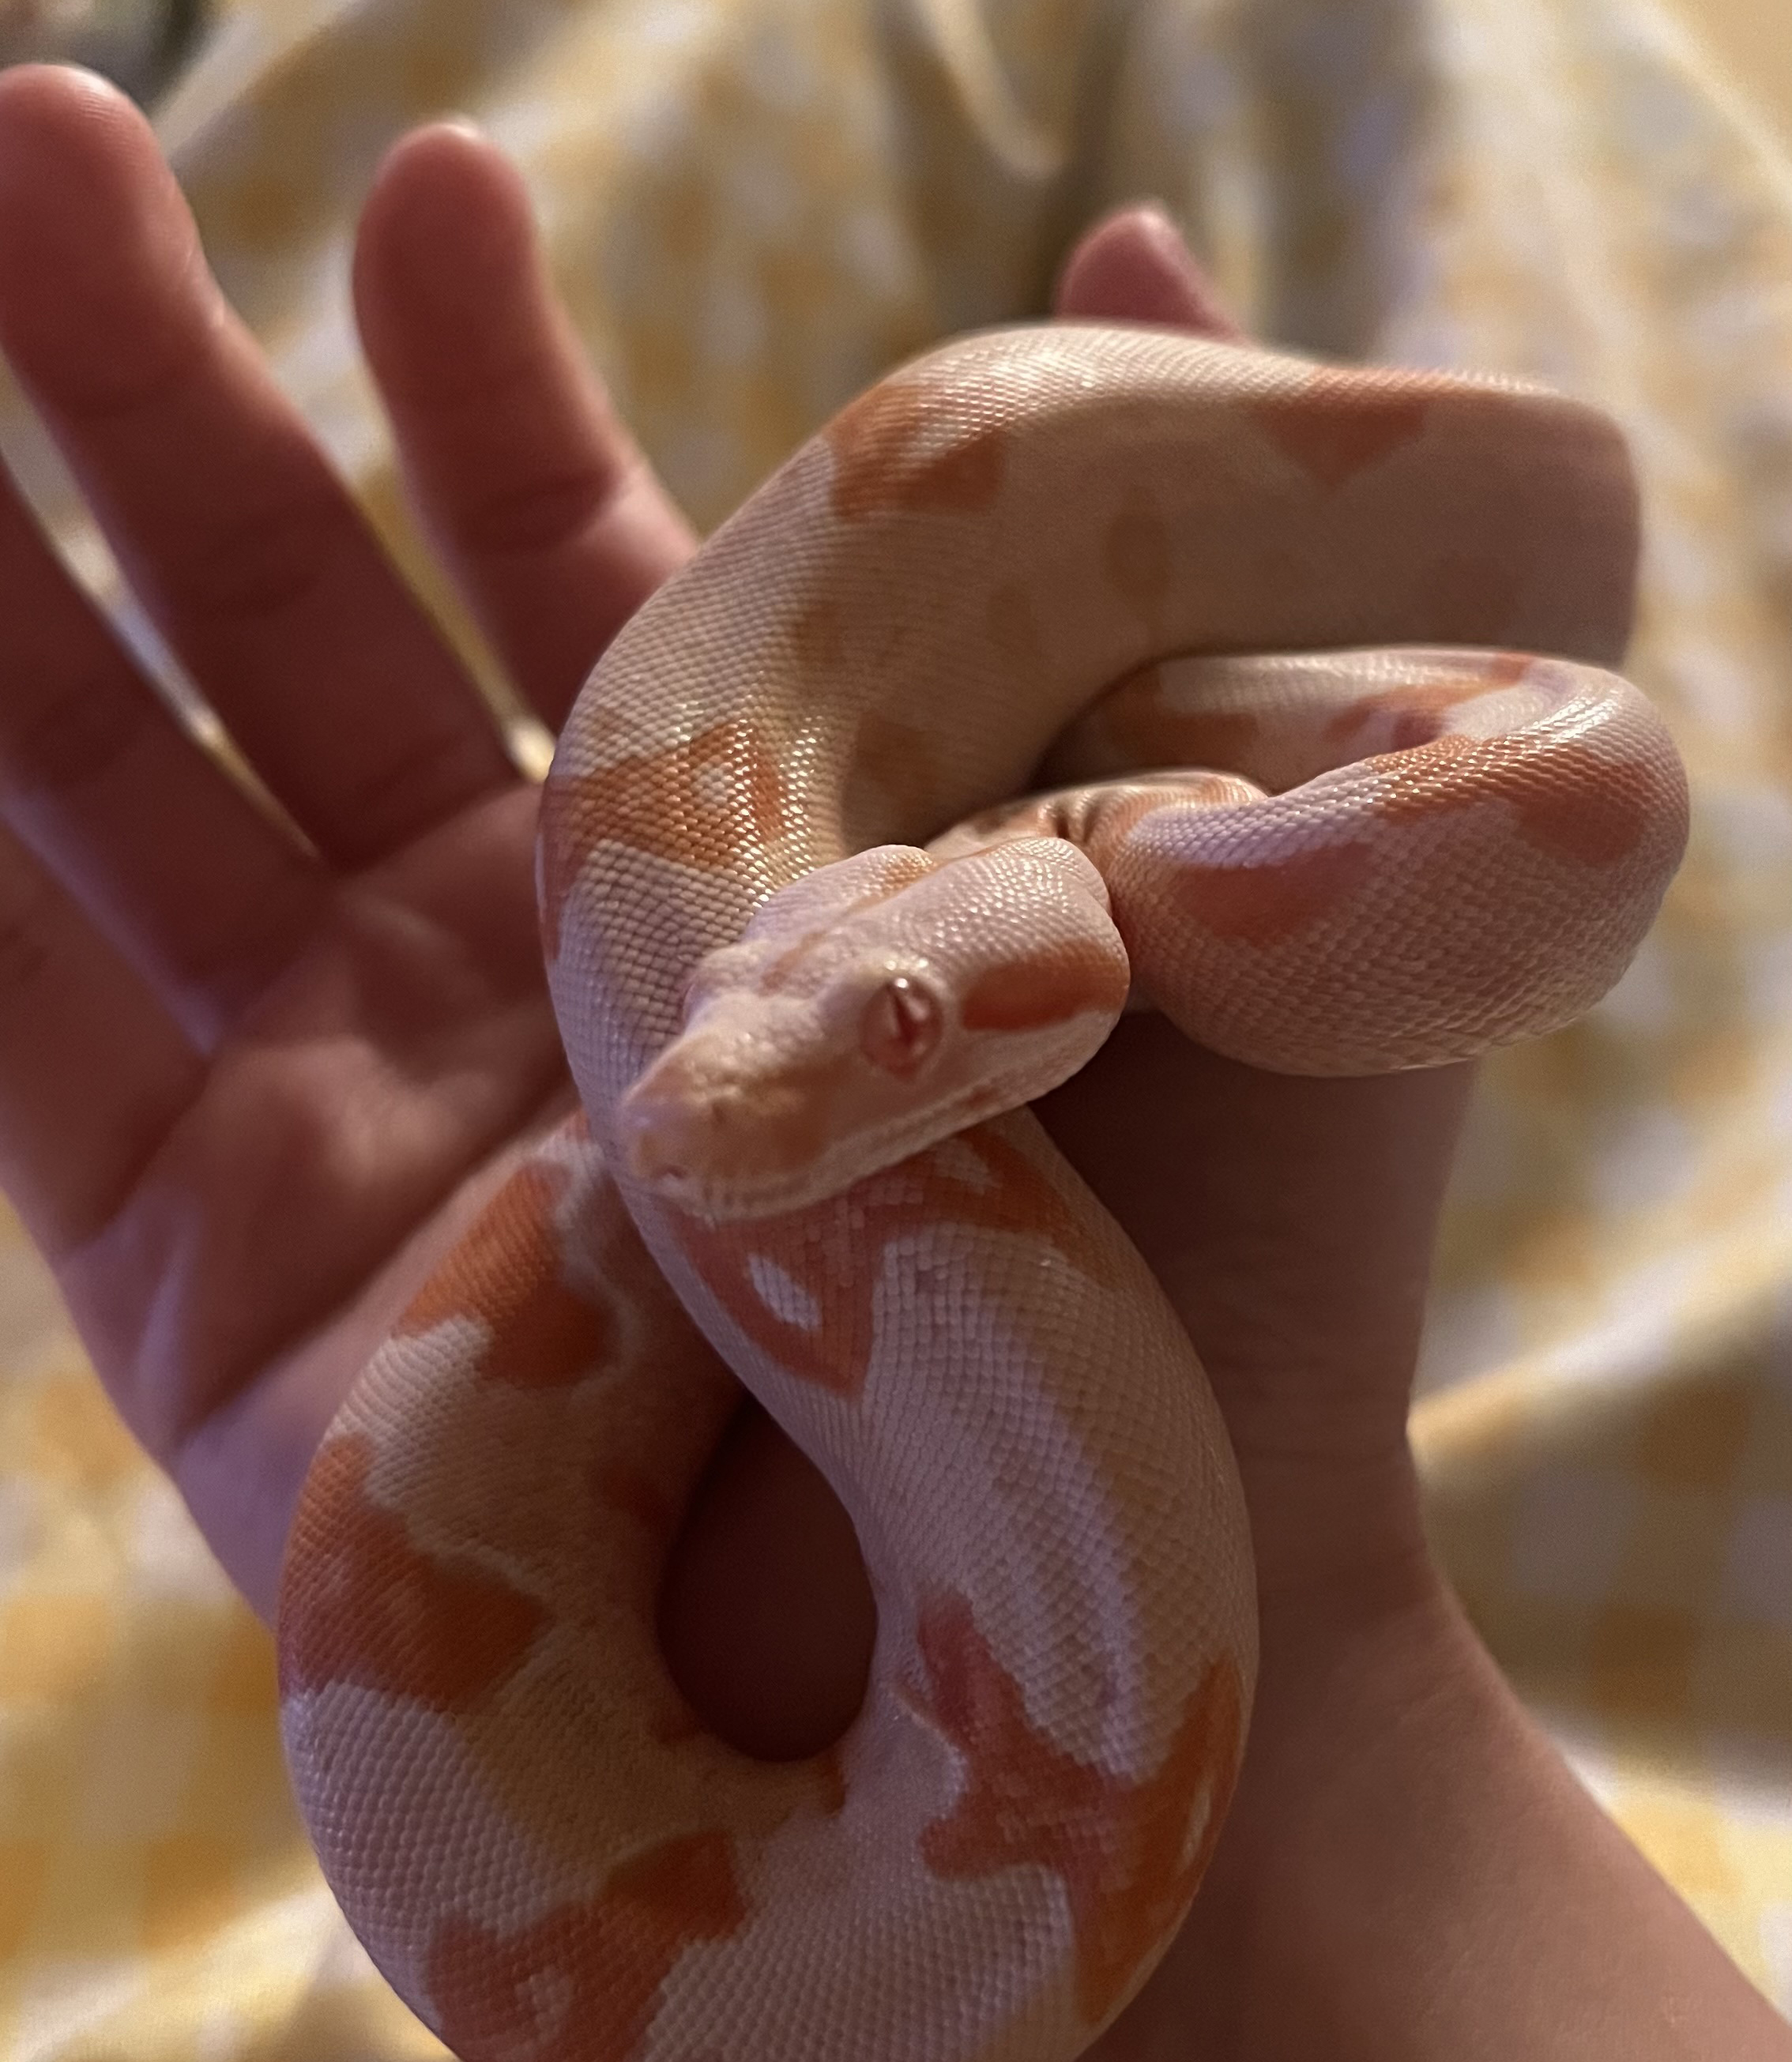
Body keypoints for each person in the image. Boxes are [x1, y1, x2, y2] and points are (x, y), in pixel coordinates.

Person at [0, 58, 1783, 2061]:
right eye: (760, 979)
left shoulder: (1361, 833)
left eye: (906, 1028)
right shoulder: (956, 939)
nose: (696, 1092)